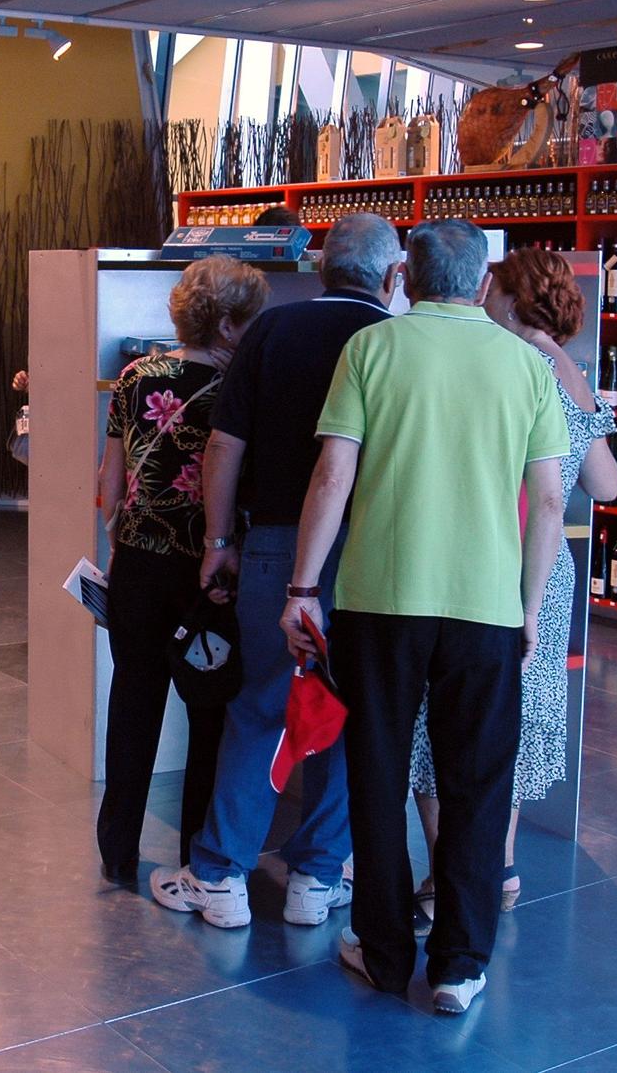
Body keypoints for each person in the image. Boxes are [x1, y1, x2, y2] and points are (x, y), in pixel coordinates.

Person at [282, 219, 567, 1016]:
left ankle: (381, 952)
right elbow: (549, 498)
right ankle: (459, 966)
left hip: (379, 601)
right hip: (486, 609)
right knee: (477, 781)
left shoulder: (372, 351)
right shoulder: (524, 366)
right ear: (482, 286)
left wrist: (303, 589)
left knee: (374, 775)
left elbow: (333, 476)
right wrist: (530, 608)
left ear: (404, 275)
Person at [149, 213, 401, 930]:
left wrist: (218, 539)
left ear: (320, 269)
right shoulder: (392, 342)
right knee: (349, 712)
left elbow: (225, 446)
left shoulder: (272, 332)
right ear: (393, 277)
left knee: (259, 706)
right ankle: (316, 880)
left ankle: (221, 876)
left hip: (275, 545)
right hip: (373, 553)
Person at [410, 247, 617, 927]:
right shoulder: (570, 371)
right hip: (548, 568)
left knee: (440, 714)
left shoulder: (501, 362)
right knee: (517, 716)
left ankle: (446, 876)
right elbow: (606, 485)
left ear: (504, 295)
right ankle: (495, 866)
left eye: (489, 286)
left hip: (486, 557)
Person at [96, 255, 269, 881]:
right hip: (208, 574)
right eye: (250, 320)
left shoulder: (136, 375)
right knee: (210, 709)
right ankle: (198, 854)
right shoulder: (240, 389)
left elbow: (109, 482)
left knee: (133, 702)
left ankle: (117, 851)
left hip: (137, 565)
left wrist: (121, 539)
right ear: (226, 325)